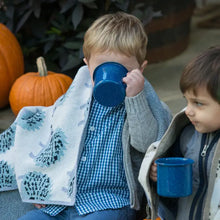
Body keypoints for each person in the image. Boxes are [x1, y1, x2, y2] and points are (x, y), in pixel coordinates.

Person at [0, 12, 171, 220]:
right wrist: (41, 182)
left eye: (123, 70)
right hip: (64, 200)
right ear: (87, 65)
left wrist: (135, 98)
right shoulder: (75, 101)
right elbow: (48, 136)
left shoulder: (140, 102)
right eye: (101, 69)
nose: (111, 76)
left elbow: (147, 143)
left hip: (111, 201)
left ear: (140, 69)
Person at [138, 46, 220, 220]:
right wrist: (158, 176)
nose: (188, 111)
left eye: (198, 103)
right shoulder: (186, 136)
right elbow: (175, 193)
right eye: (187, 101)